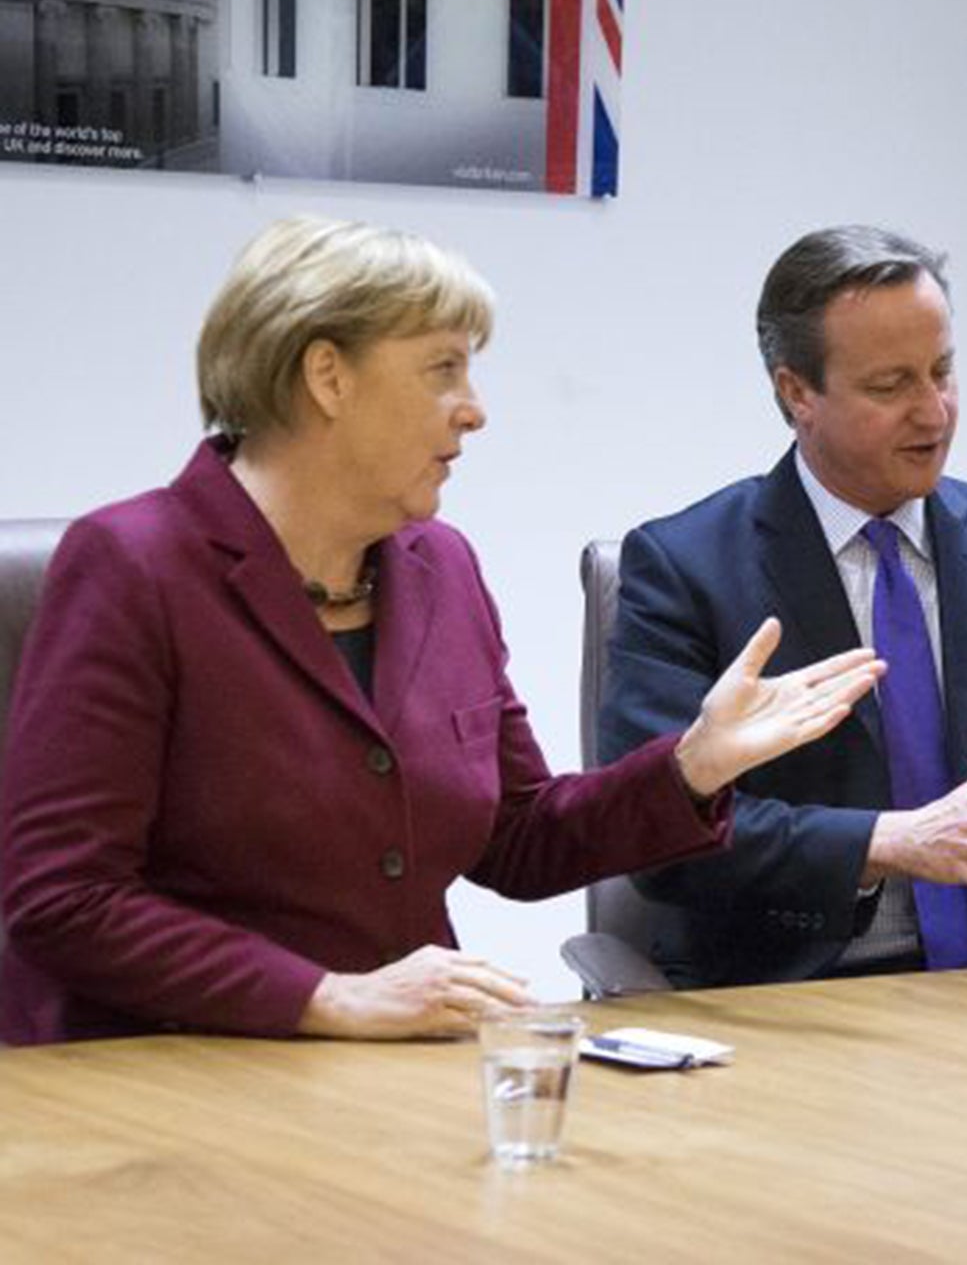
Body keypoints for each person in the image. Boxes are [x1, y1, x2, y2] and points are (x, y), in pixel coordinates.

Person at [0, 217, 883, 1044]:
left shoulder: (441, 566)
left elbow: (520, 838)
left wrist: (693, 766)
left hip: (392, 1076)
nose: (474, 409)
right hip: (162, 1078)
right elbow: (62, 899)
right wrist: (326, 997)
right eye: (443, 370)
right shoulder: (132, 565)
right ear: (327, 377)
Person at [600, 225, 967, 984]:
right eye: (891, 386)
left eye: (943, 372)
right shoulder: (687, 569)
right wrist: (881, 843)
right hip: (794, 1000)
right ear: (797, 392)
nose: (935, 412)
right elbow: (654, 831)